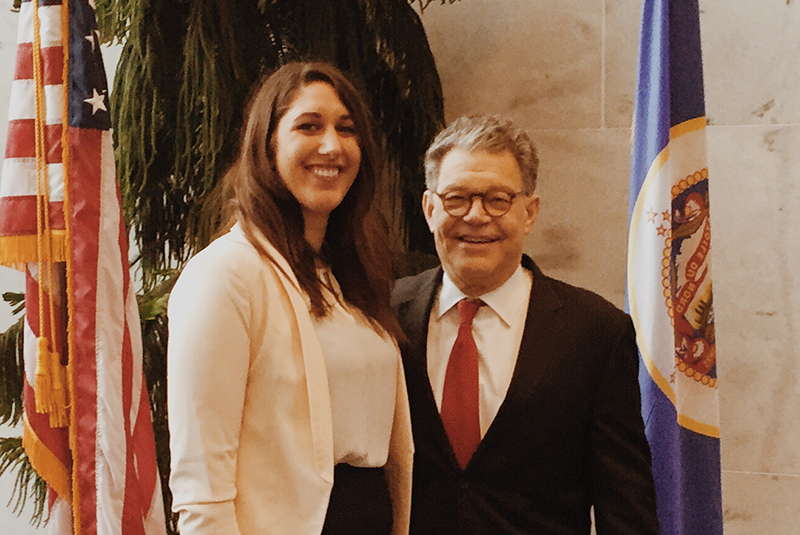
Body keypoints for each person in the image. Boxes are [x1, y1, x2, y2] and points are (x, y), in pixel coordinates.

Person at [167, 62, 413, 535]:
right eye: (309, 126)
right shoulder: (226, 276)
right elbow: (203, 491)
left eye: (347, 129)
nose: (332, 146)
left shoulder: (351, 277)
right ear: (268, 145)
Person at [392, 115, 659, 534]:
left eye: (497, 199)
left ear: (530, 212)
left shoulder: (596, 334)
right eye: (456, 198)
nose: (475, 216)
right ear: (429, 209)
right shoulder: (385, 314)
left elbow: (625, 508)